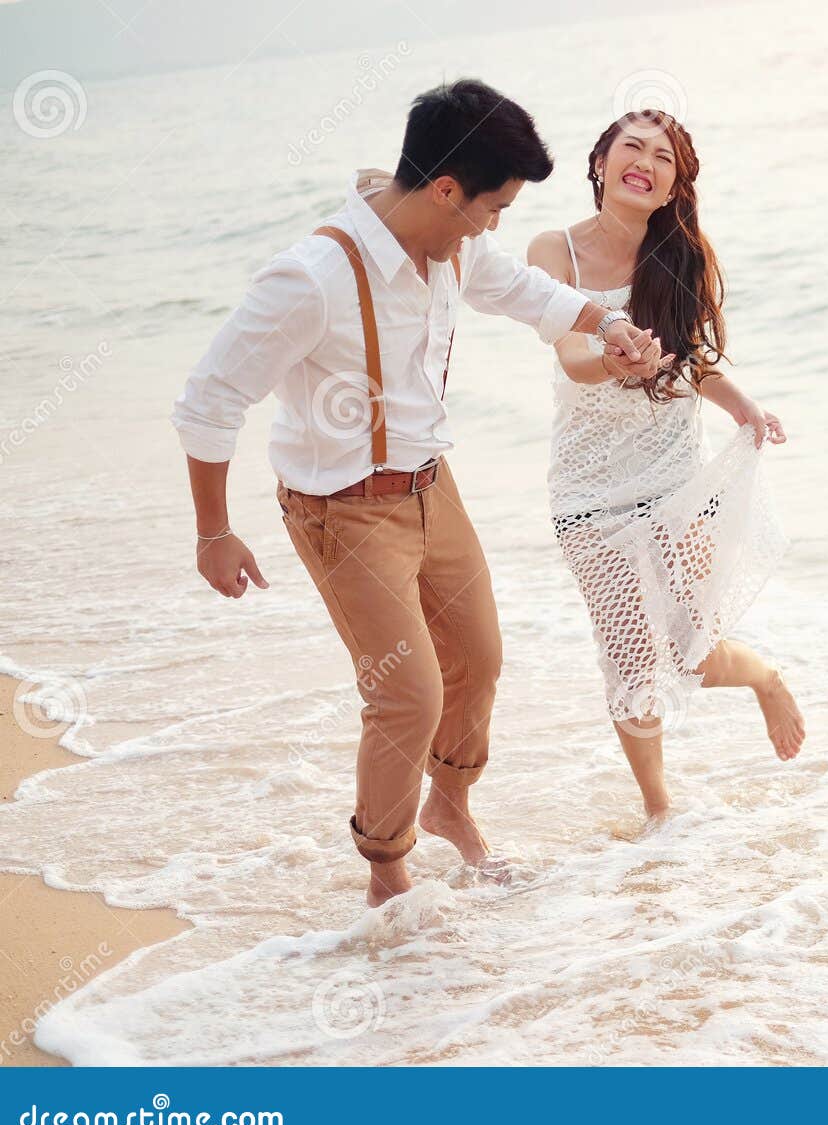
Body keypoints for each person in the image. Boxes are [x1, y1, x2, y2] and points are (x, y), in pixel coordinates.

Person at [172, 80, 664, 906]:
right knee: (408, 692)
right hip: (343, 511)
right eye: (493, 206)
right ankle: (387, 870)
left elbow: (521, 289)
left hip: (434, 486)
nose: (496, 224)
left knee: (478, 659)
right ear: (446, 190)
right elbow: (210, 399)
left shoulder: (453, 245)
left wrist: (605, 324)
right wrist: (213, 531)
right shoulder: (312, 276)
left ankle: (448, 807)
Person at [527, 110, 805, 831]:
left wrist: (743, 404)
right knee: (629, 656)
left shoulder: (682, 256)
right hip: (588, 487)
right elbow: (571, 360)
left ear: (672, 187)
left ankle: (766, 679)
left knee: (689, 650)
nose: (644, 162)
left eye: (663, 158)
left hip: (674, 473)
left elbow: (690, 359)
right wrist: (614, 358)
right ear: (600, 162)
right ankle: (659, 809)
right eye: (632, 147)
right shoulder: (553, 250)